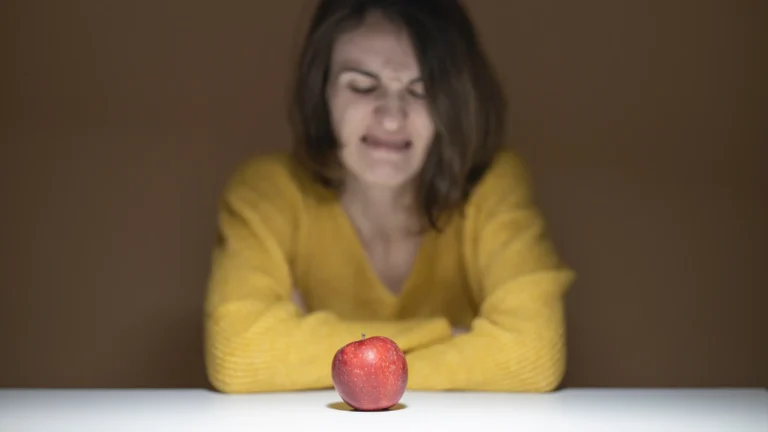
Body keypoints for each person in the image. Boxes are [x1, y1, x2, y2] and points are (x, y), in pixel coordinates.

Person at [203, 0, 575, 394]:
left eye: (422, 90)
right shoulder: (267, 190)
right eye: (363, 86)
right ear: (321, 90)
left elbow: (533, 356)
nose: (392, 118)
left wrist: (303, 347)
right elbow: (239, 354)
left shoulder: (492, 184)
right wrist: (451, 337)